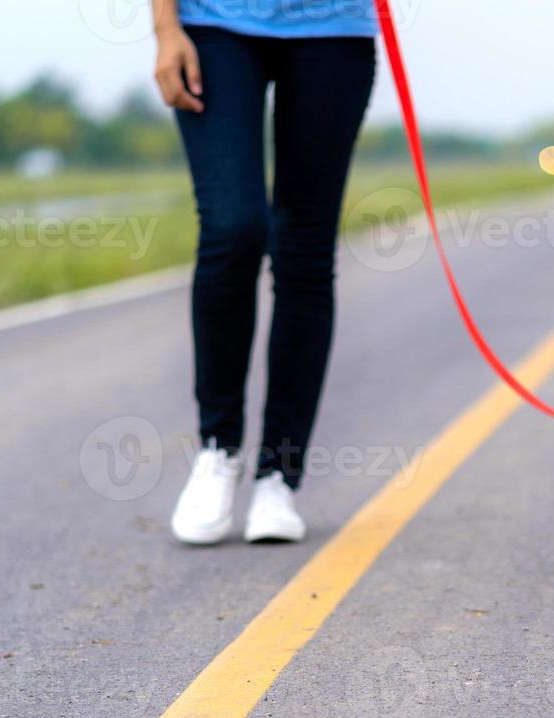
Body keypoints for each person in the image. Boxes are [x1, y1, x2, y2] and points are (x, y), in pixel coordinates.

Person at [151, 0, 377, 544]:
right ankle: (218, 450)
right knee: (233, 228)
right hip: (213, 23)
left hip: (334, 29)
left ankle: (279, 475)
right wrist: (165, 27)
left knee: (306, 249)